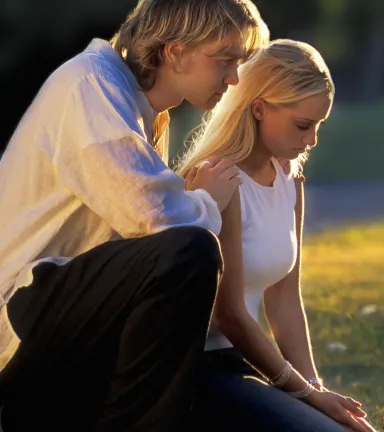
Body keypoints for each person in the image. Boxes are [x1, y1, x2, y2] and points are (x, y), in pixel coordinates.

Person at [0, 0, 269, 430]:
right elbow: (154, 216)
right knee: (190, 249)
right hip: (21, 316)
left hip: (67, 316)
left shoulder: (142, 110)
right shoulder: (89, 83)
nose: (234, 78)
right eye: (224, 60)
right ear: (174, 51)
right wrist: (205, 200)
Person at [176, 39, 378, 432]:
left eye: (319, 125)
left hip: (241, 363)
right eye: (303, 125)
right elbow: (230, 315)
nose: (313, 140)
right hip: (197, 370)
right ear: (258, 109)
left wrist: (314, 389)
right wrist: (304, 394)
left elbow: (284, 300)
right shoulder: (220, 182)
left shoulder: (289, 179)